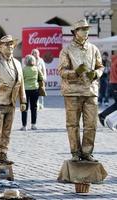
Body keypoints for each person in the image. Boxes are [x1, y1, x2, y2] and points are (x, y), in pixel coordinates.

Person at [58, 19, 104, 162]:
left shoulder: (93, 48)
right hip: (73, 91)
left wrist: (96, 74)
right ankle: (75, 152)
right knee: (73, 124)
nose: (86, 31)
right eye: (82, 29)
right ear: (75, 32)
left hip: (91, 91)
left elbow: (100, 66)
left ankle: (87, 152)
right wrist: (76, 72)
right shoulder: (67, 50)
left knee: (91, 124)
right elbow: (61, 71)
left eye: (87, 29)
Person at [0, 35, 26, 164]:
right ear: (0, 47)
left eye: (12, 44)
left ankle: (3, 153)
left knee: (7, 130)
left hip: (11, 102)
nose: (10, 46)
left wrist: (23, 100)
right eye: (7, 44)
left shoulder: (18, 63)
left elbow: (21, 82)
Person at [20, 54, 44, 131]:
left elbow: (21, 79)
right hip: (35, 90)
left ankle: (24, 126)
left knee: (24, 108)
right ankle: (33, 125)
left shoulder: (23, 69)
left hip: (25, 91)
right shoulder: (36, 69)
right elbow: (42, 78)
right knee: (34, 108)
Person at [99, 54, 117, 129]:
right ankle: (104, 116)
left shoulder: (114, 58)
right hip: (115, 83)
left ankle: (110, 120)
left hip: (112, 83)